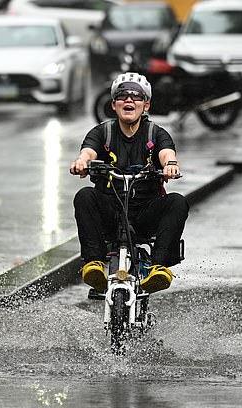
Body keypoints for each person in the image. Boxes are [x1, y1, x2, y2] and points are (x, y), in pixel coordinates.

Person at [69, 72, 189, 294]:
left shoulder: (156, 133)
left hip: (145, 213)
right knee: (84, 196)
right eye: (123, 96)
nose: (129, 100)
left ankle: (158, 267)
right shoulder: (102, 132)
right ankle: (94, 264)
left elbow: (166, 152)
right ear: (113, 104)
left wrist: (170, 164)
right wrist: (81, 162)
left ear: (146, 104)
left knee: (177, 202)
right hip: (110, 210)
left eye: (136, 96)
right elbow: (87, 151)